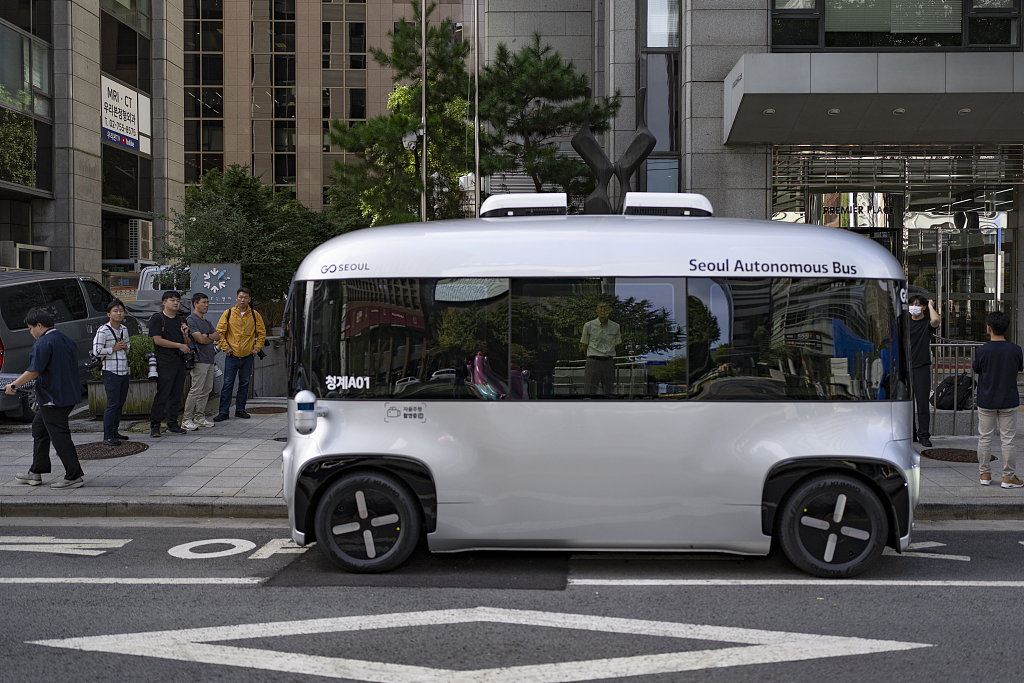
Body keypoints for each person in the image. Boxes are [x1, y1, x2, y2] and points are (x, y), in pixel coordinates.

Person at [6, 308, 86, 489]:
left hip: (52, 398)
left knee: (60, 436)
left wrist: (13, 385)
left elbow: (34, 371)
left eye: (30, 328)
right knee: (39, 429)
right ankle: (36, 471)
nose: (30, 332)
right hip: (68, 395)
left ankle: (73, 476)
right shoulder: (66, 340)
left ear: (39, 325)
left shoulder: (43, 343)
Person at [973, 311, 1023, 489]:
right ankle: (1008, 477)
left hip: (986, 399)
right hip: (1008, 399)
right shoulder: (1016, 350)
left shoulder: (982, 350)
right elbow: (1019, 368)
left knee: (985, 438)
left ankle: (984, 474)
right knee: (1008, 439)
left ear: (989, 328)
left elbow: (976, 369)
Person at [213, 286, 266, 421]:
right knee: (228, 383)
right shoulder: (228, 313)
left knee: (244, 384)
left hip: (248, 355)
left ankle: (240, 409)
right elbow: (219, 332)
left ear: (249, 299)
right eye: (240, 297)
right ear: (236, 298)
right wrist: (226, 348)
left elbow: (261, 333)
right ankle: (223, 411)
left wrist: (257, 348)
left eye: (245, 297)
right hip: (232, 355)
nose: (243, 300)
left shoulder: (255, 315)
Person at [149, 290, 191, 438]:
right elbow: (157, 340)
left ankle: (172, 424)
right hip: (164, 361)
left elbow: (188, 343)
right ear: (164, 302)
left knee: (176, 394)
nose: (175, 303)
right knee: (163, 394)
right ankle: (155, 426)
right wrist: (178, 345)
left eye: (178, 300)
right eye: (172, 300)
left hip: (179, 361)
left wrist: (185, 335)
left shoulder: (181, 320)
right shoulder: (158, 318)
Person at [92, 300, 131, 446]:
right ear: (109, 314)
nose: (119, 313)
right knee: (112, 404)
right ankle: (107, 435)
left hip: (123, 370)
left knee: (120, 403)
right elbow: (96, 351)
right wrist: (113, 349)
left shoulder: (124, 329)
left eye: (121, 310)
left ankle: (115, 431)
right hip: (110, 371)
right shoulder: (103, 330)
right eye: (115, 310)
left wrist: (125, 347)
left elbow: (128, 346)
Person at [181, 292, 221, 430]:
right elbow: (200, 339)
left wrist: (208, 336)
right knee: (196, 389)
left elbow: (218, 336)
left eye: (207, 302)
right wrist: (208, 337)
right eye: (203, 302)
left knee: (206, 390)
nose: (206, 305)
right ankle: (186, 419)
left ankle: (199, 417)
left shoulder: (207, 321)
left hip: (210, 359)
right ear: (195, 304)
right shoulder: (191, 320)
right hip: (199, 360)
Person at [908, 294, 940, 447]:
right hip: (906, 368)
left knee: (922, 404)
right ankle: (911, 433)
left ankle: (924, 435)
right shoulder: (905, 322)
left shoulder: (927, 323)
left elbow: (935, 321)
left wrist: (932, 306)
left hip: (921, 367)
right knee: (907, 404)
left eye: (918, 304)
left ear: (924, 307)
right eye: (912, 304)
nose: (914, 306)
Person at [580, 301, 621, 396]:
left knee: (609, 393)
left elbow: (616, 345)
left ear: (610, 310)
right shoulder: (588, 326)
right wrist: (591, 358)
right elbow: (584, 345)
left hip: (608, 362)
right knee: (589, 392)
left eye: (606, 307)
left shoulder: (615, 326)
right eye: (601, 307)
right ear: (596, 310)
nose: (603, 310)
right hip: (593, 361)